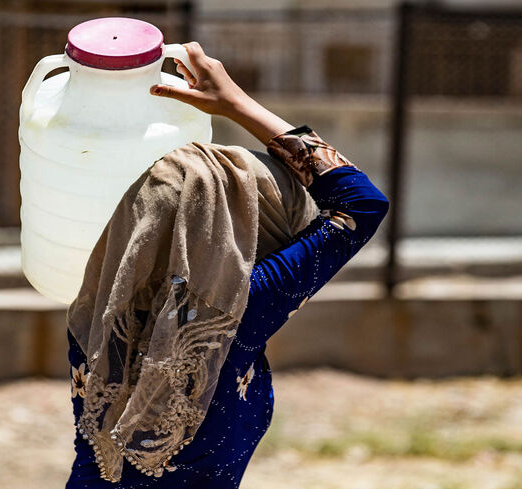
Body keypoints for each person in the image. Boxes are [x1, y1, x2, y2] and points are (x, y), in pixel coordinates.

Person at [65, 41, 389, 488]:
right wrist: (234, 104)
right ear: (246, 228)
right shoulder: (236, 312)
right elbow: (361, 204)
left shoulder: (100, 304)